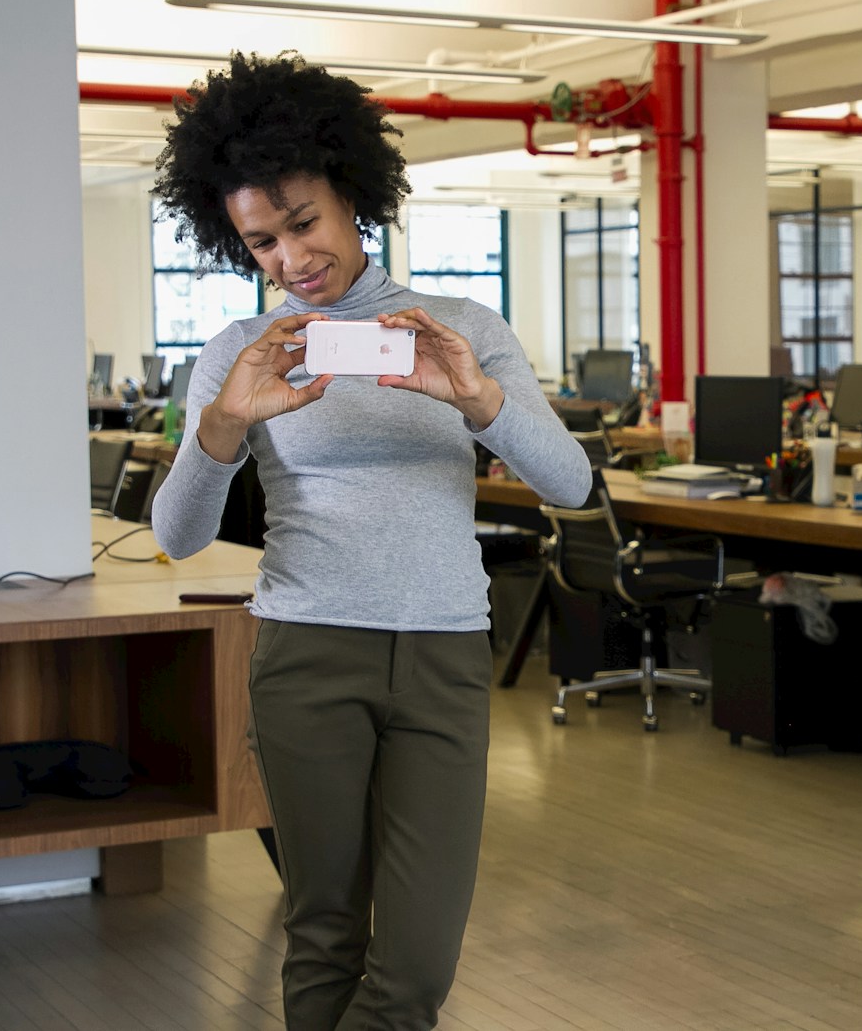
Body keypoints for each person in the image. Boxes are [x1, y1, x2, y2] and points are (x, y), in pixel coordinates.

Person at [150, 53, 591, 1031]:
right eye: (261, 243)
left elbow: (572, 483)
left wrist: (479, 402)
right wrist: (223, 426)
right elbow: (175, 536)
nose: (291, 260)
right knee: (325, 934)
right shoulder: (237, 352)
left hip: (440, 653)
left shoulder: (465, 327)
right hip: (306, 651)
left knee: (416, 963)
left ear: (352, 192)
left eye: (303, 223)